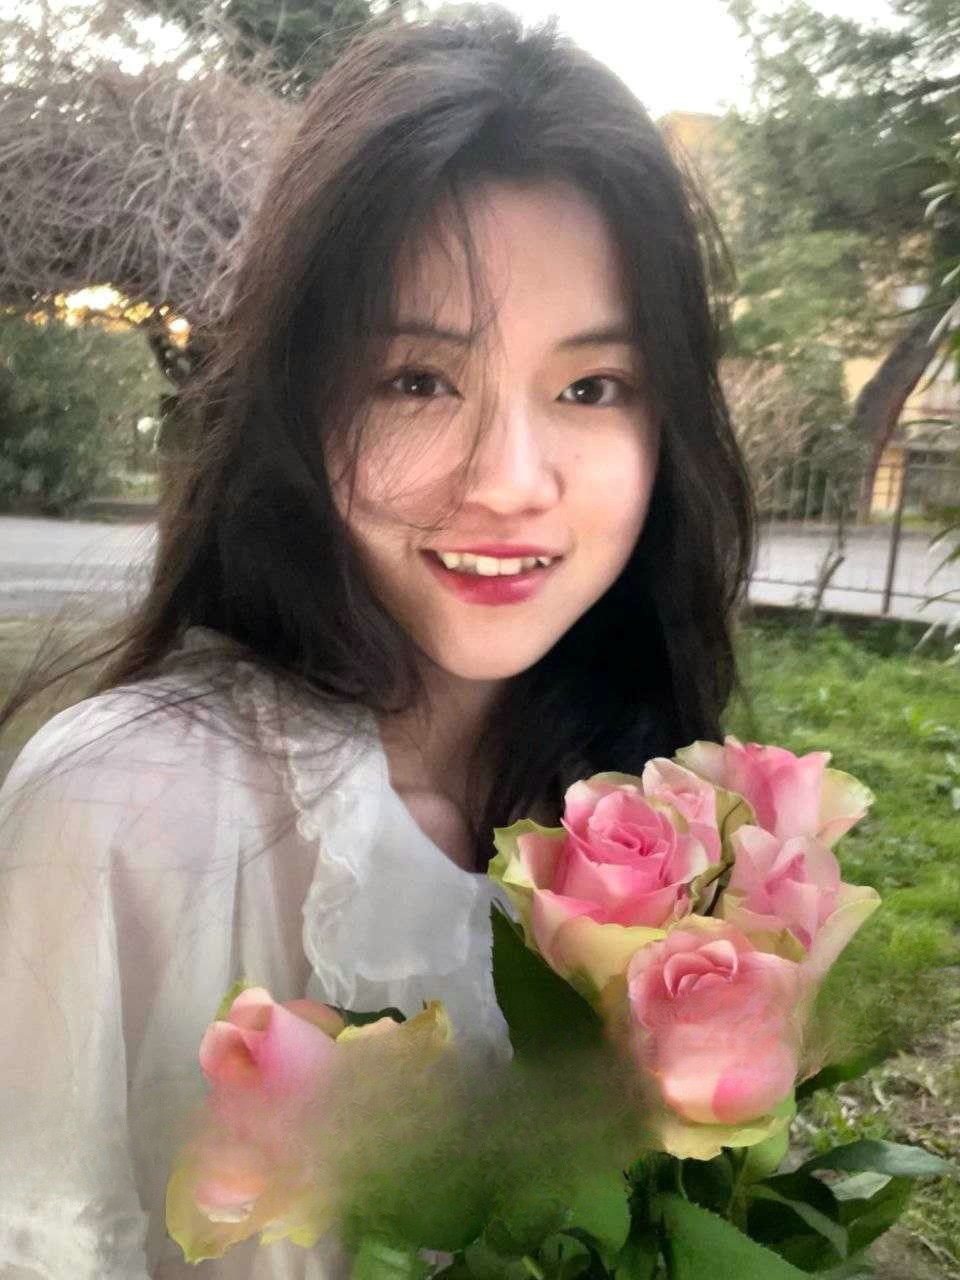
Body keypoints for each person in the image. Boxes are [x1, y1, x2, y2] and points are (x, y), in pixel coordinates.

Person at [0, 8, 755, 1278]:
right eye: (418, 379)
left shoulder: (671, 812)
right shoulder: (118, 807)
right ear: (301, 403)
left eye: (590, 387)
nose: (508, 480)